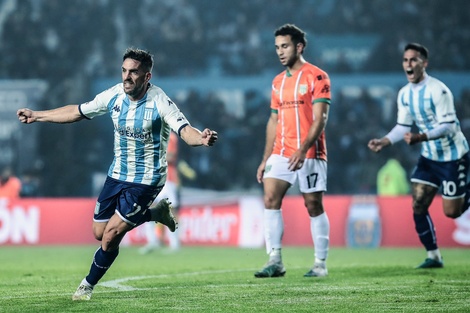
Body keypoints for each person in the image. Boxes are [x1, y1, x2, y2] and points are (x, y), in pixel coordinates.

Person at [17, 47, 218, 300]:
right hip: (117, 175)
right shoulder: (114, 96)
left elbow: (185, 130)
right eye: (124, 70)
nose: (126, 77)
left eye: (134, 72)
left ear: (147, 77)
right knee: (99, 233)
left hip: (147, 179)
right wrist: (38, 115)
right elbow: (78, 111)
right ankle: (155, 213)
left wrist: (202, 138)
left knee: (110, 236)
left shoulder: (159, 101)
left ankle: (86, 286)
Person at [368, 43, 469, 268]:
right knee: (418, 204)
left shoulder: (438, 90)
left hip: (453, 156)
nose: (408, 64)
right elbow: (403, 126)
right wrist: (384, 141)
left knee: (452, 212)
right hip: (429, 158)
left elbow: (449, 126)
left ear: (424, 63)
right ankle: (434, 256)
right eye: (405, 60)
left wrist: (420, 137)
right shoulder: (404, 94)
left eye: (413, 60)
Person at [255, 24, 331, 278]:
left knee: (313, 205)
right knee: (270, 199)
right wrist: (266, 158)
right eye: (277, 47)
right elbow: (273, 121)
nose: (280, 52)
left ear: (299, 47)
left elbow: (320, 119)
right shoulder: (277, 82)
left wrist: (303, 149)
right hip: (281, 151)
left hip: (310, 153)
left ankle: (320, 263)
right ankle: (275, 259)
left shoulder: (317, 76)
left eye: (284, 46)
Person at [140, 131, 182, 253]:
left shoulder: (170, 136)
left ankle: (174, 243)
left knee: (171, 209)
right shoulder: (152, 134)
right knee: (149, 208)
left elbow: (171, 155)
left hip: (168, 178)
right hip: (154, 177)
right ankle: (152, 241)